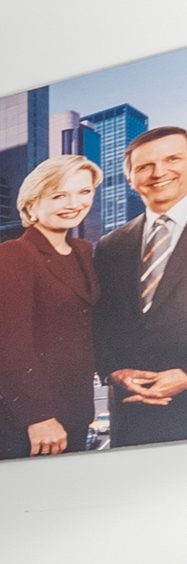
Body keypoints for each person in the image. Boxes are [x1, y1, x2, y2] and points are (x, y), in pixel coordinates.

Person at [0, 154, 100, 460]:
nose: (75, 203)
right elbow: (8, 348)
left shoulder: (82, 251)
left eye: (84, 192)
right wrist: (38, 416)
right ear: (32, 204)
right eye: (59, 195)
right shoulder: (14, 255)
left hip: (74, 411)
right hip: (26, 421)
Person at [95, 124, 187, 447]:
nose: (158, 172)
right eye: (144, 166)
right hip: (131, 420)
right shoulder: (110, 245)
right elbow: (100, 321)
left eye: (173, 158)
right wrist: (112, 371)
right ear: (130, 180)